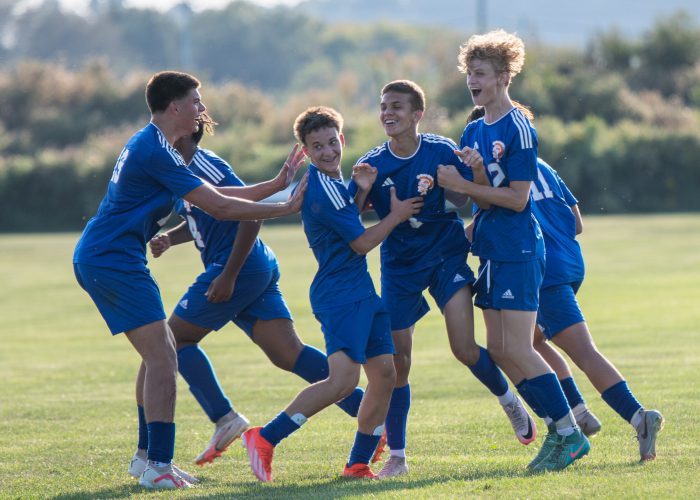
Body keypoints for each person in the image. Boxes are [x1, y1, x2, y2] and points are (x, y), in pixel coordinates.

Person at [73, 71, 306, 490]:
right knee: (164, 356)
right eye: (196, 101)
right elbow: (219, 207)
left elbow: (219, 196)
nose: (202, 108)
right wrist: (286, 207)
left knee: (160, 353)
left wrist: (275, 186)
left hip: (110, 255)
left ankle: (148, 459)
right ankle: (158, 464)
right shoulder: (156, 150)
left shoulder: (158, 146)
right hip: (112, 258)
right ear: (175, 106)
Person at [127, 115, 366, 478]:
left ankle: (222, 418)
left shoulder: (205, 163)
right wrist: (170, 239)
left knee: (168, 343)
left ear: (184, 132)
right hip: (252, 267)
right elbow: (205, 214)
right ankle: (371, 412)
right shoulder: (178, 165)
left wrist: (229, 275)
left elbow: (248, 217)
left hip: (240, 267)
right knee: (289, 354)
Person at [348, 79, 535, 478]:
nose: (388, 113)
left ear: (417, 114)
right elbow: (351, 221)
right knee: (399, 364)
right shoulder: (373, 163)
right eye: (383, 107)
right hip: (399, 266)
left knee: (464, 348)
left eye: (397, 106)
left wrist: (475, 172)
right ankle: (397, 455)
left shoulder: (440, 150)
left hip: (446, 256)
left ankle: (509, 401)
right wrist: (360, 190)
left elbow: (470, 198)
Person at [241, 106, 423, 482]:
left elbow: (346, 220)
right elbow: (359, 242)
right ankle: (264, 437)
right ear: (305, 151)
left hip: (359, 292)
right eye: (316, 146)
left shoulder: (332, 184)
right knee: (342, 382)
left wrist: (359, 189)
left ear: (341, 140)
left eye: (331, 142)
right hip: (340, 295)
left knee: (385, 374)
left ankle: (358, 464)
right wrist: (396, 214)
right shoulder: (320, 188)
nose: (327, 151)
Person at [436, 30, 589, 472]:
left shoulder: (518, 126)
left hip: (519, 249)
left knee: (520, 349)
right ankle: (560, 427)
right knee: (500, 349)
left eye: (480, 73)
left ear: (504, 76)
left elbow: (520, 198)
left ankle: (569, 434)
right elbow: (486, 198)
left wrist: (464, 184)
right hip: (493, 251)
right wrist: (471, 185)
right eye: (469, 74)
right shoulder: (472, 129)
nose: (472, 81)